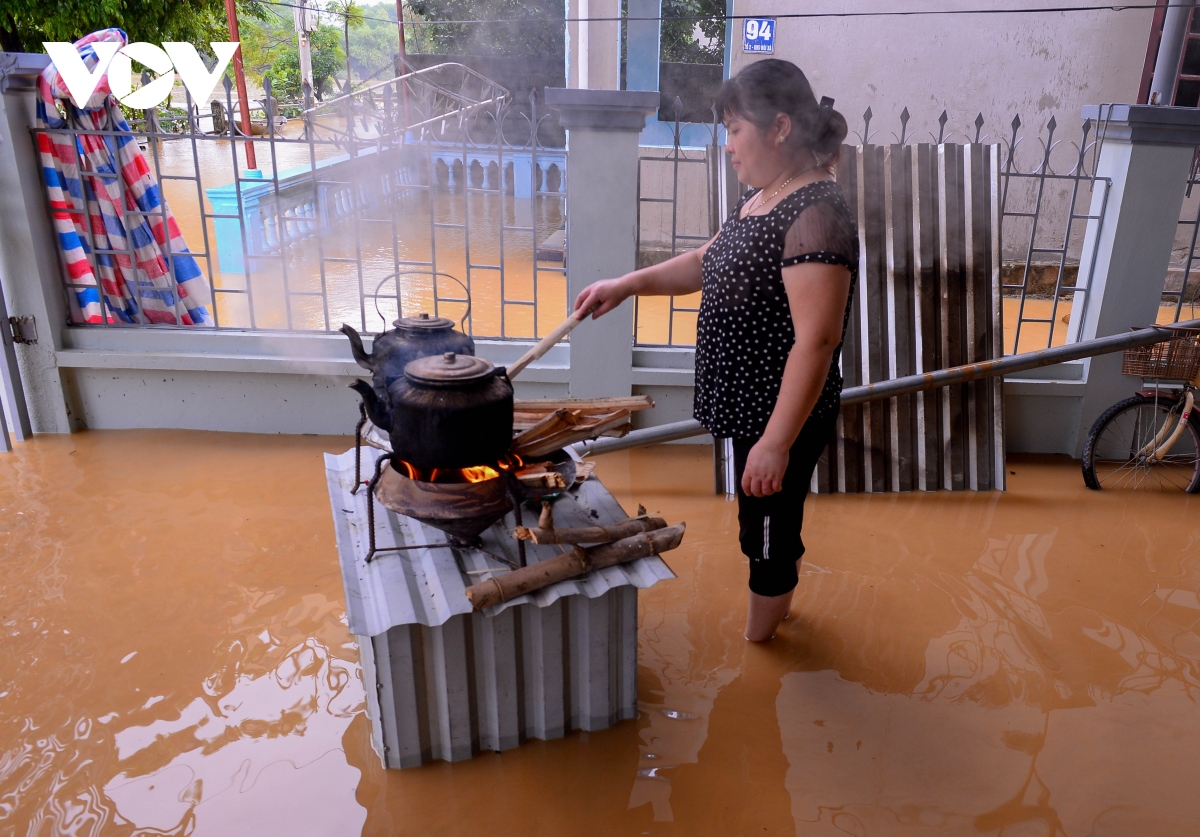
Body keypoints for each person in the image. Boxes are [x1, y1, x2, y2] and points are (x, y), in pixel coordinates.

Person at [573, 59, 859, 642]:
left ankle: (763, 651)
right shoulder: (763, 198)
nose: (726, 146)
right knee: (762, 521)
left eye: (734, 130)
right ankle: (779, 605)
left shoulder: (816, 214)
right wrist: (624, 285)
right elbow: (704, 262)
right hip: (753, 409)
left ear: (781, 127)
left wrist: (776, 444)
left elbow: (818, 340)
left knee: (768, 533)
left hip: (779, 415)